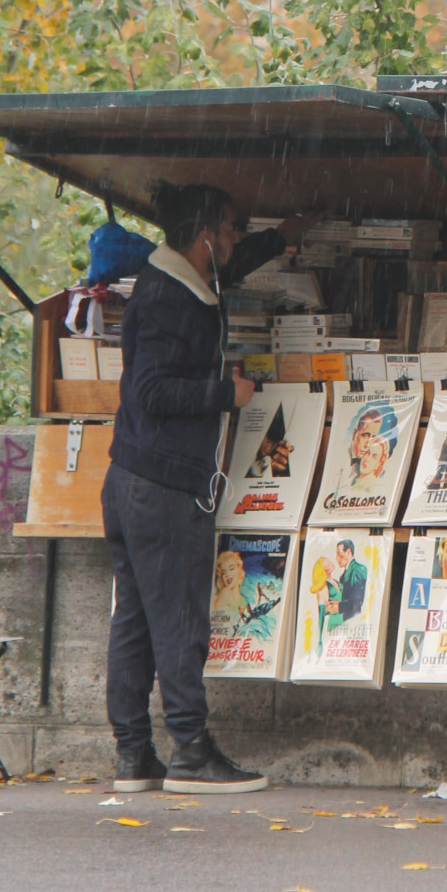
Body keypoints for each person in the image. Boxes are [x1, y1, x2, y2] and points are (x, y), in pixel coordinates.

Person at [101, 181, 305, 795]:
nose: (236, 237)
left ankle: (134, 755)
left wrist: (283, 237)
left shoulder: (185, 280)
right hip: (162, 487)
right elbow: (151, 393)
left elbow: (233, 263)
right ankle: (191, 749)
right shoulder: (168, 300)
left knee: (135, 620)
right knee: (179, 620)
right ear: (204, 237)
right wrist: (226, 394)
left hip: (134, 479)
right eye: (232, 227)